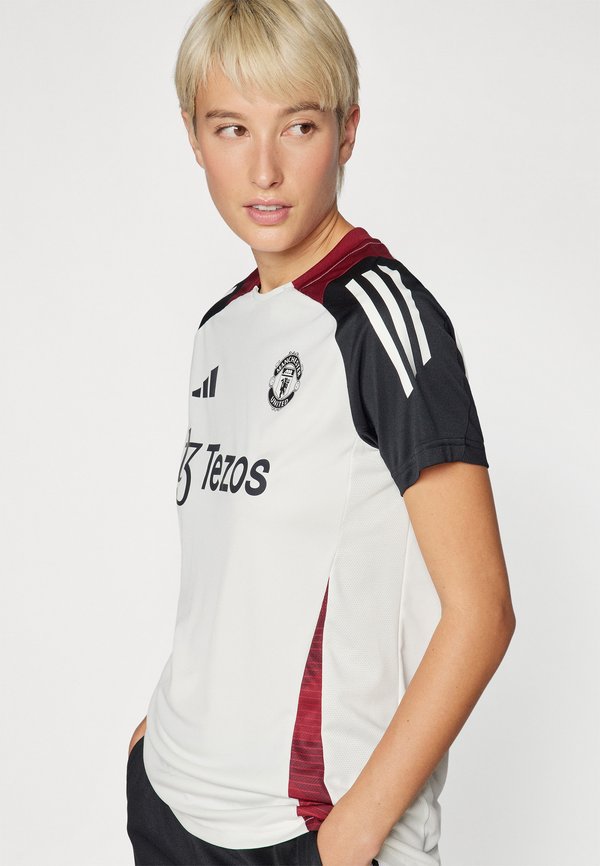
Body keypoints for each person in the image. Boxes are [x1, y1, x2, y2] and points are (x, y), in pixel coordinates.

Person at [125, 1, 516, 865]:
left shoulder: (382, 321)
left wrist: (352, 837)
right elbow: (233, 574)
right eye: (231, 128)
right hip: (174, 803)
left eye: (298, 125)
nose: (264, 169)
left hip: (302, 831)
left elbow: (482, 612)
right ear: (193, 136)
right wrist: (153, 742)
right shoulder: (221, 327)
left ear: (347, 130)